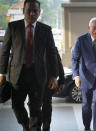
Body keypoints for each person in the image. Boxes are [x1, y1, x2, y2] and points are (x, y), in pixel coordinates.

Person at [0, 0, 59, 130]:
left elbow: (51, 53)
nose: (32, 13)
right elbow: (4, 51)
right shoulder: (13, 27)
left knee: (36, 108)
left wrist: (54, 75)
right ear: (23, 11)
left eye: (35, 11)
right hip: (18, 75)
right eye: (29, 10)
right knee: (16, 105)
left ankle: (34, 128)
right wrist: (2, 73)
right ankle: (26, 125)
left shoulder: (46, 30)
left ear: (39, 12)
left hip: (37, 76)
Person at [41, 48, 65, 131]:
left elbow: (59, 63)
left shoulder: (51, 47)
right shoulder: (30, 46)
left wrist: (61, 80)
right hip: (34, 83)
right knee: (34, 106)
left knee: (47, 106)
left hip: (48, 82)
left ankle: (46, 128)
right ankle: (35, 126)